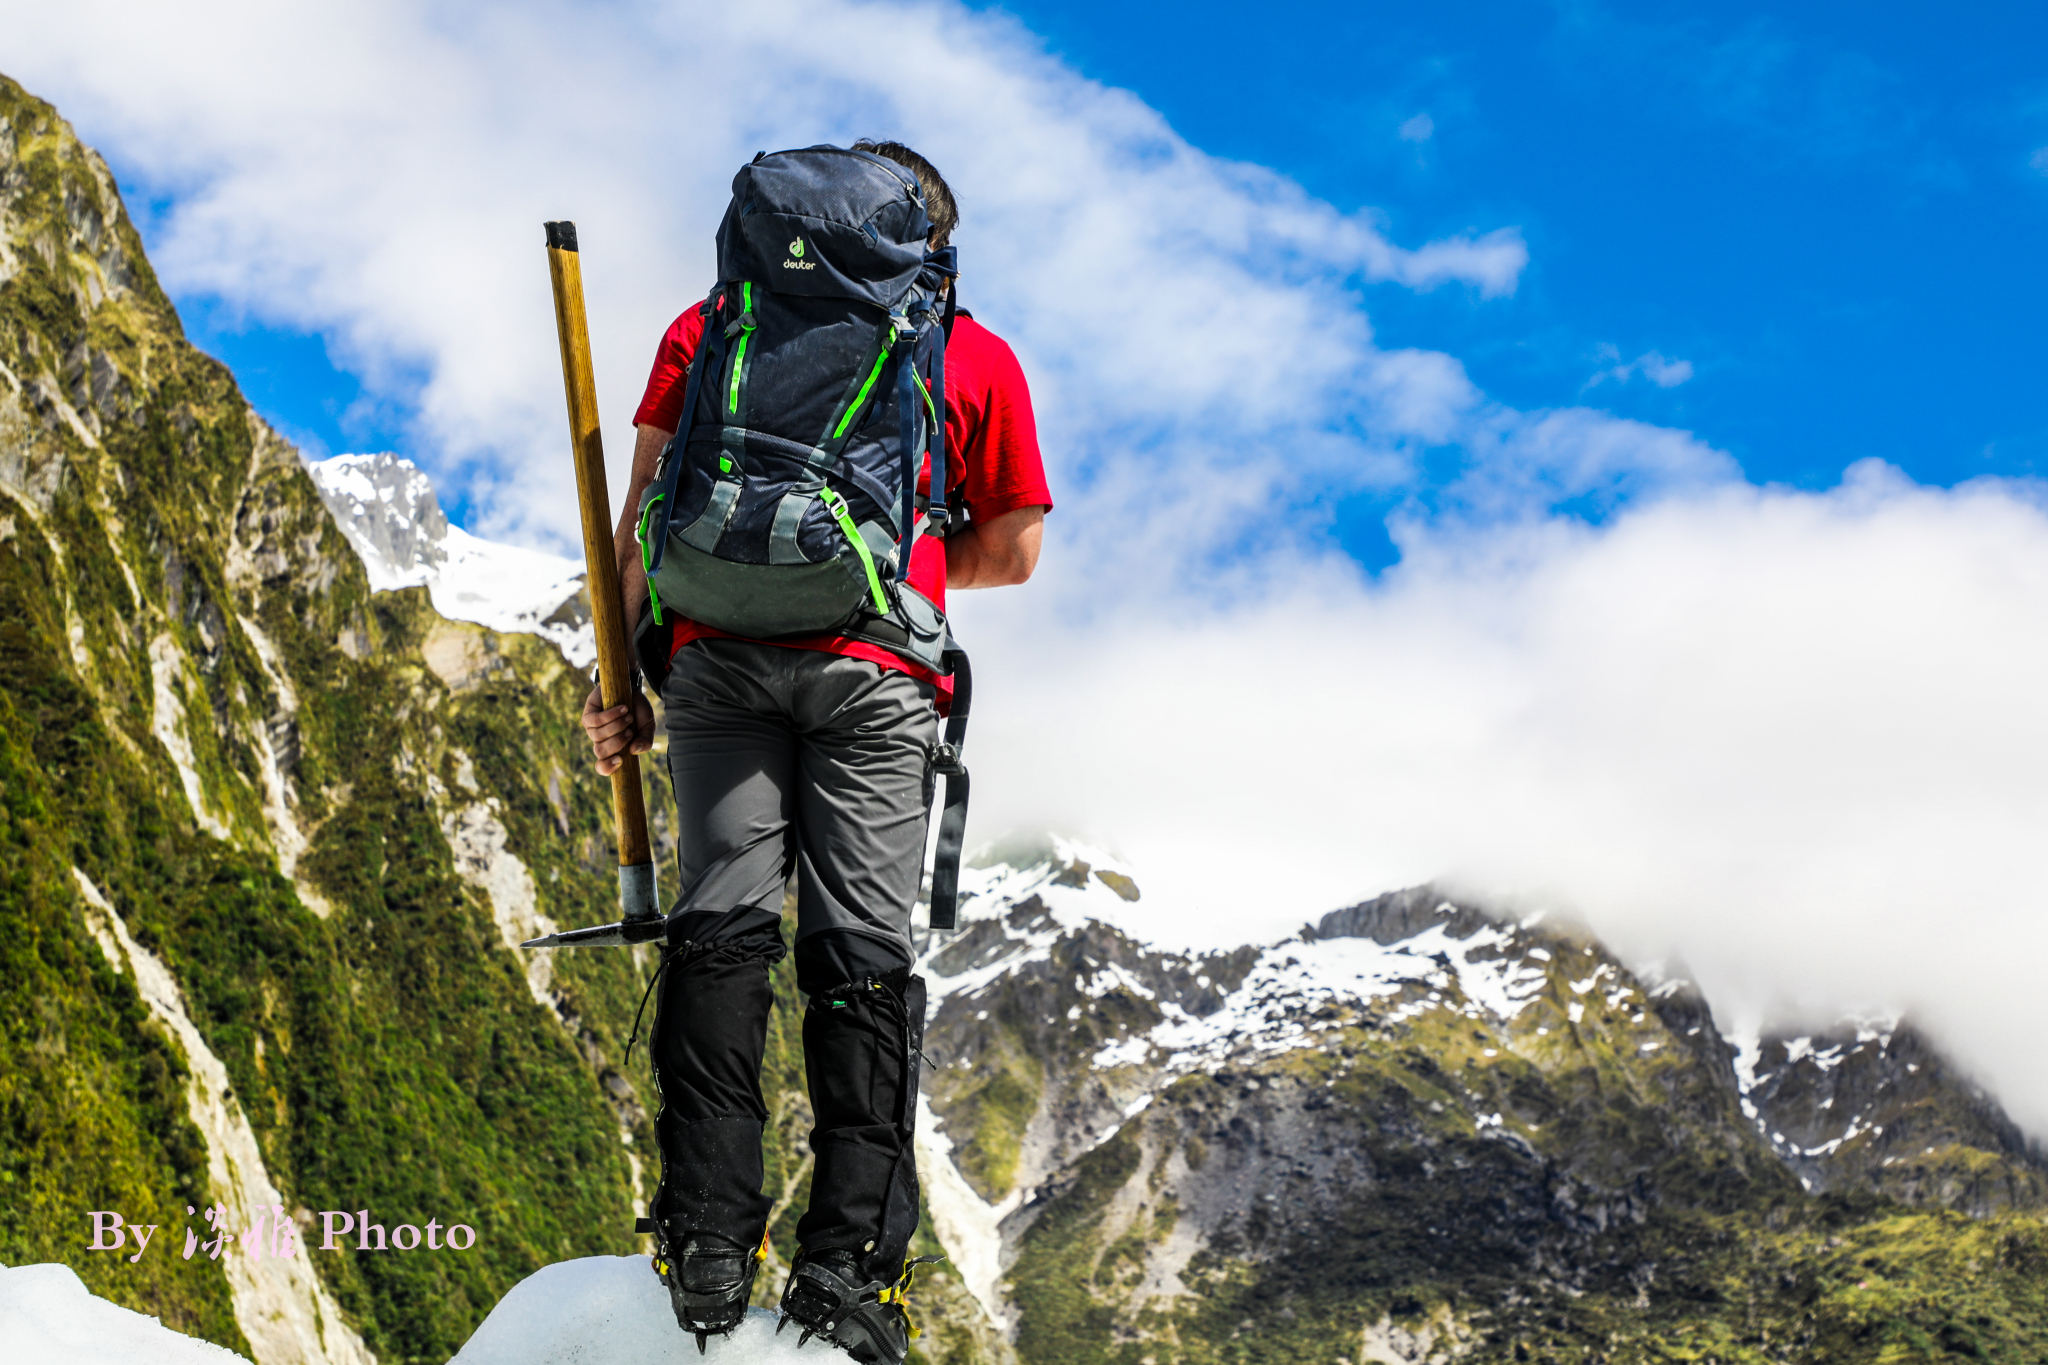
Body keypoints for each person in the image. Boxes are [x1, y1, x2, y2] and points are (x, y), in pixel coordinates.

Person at [580, 140, 1051, 1363]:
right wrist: (899, 543)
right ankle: (845, 1272)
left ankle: (708, 1240)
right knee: (859, 955)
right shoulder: (972, 353)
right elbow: (1012, 553)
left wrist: (622, 685)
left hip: (714, 662)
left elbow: (642, 517)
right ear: (927, 245)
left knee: (720, 928)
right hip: (875, 675)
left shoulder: (709, 324)